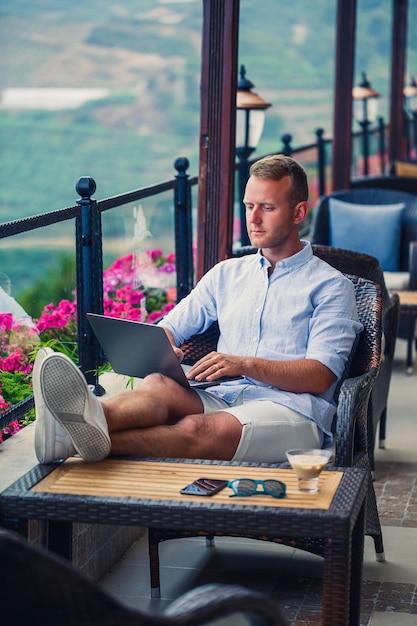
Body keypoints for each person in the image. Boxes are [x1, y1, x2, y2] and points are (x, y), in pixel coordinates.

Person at [33, 155, 362, 465]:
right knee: (158, 387)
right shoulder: (228, 274)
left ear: (299, 212)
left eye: (268, 207)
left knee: (195, 429)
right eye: (248, 206)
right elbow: (170, 327)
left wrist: (243, 364)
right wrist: (163, 349)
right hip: (224, 396)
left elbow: (320, 376)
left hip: (291, 412)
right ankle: (75, 425)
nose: (254, 218)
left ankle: (70, 442)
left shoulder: (331, 287)